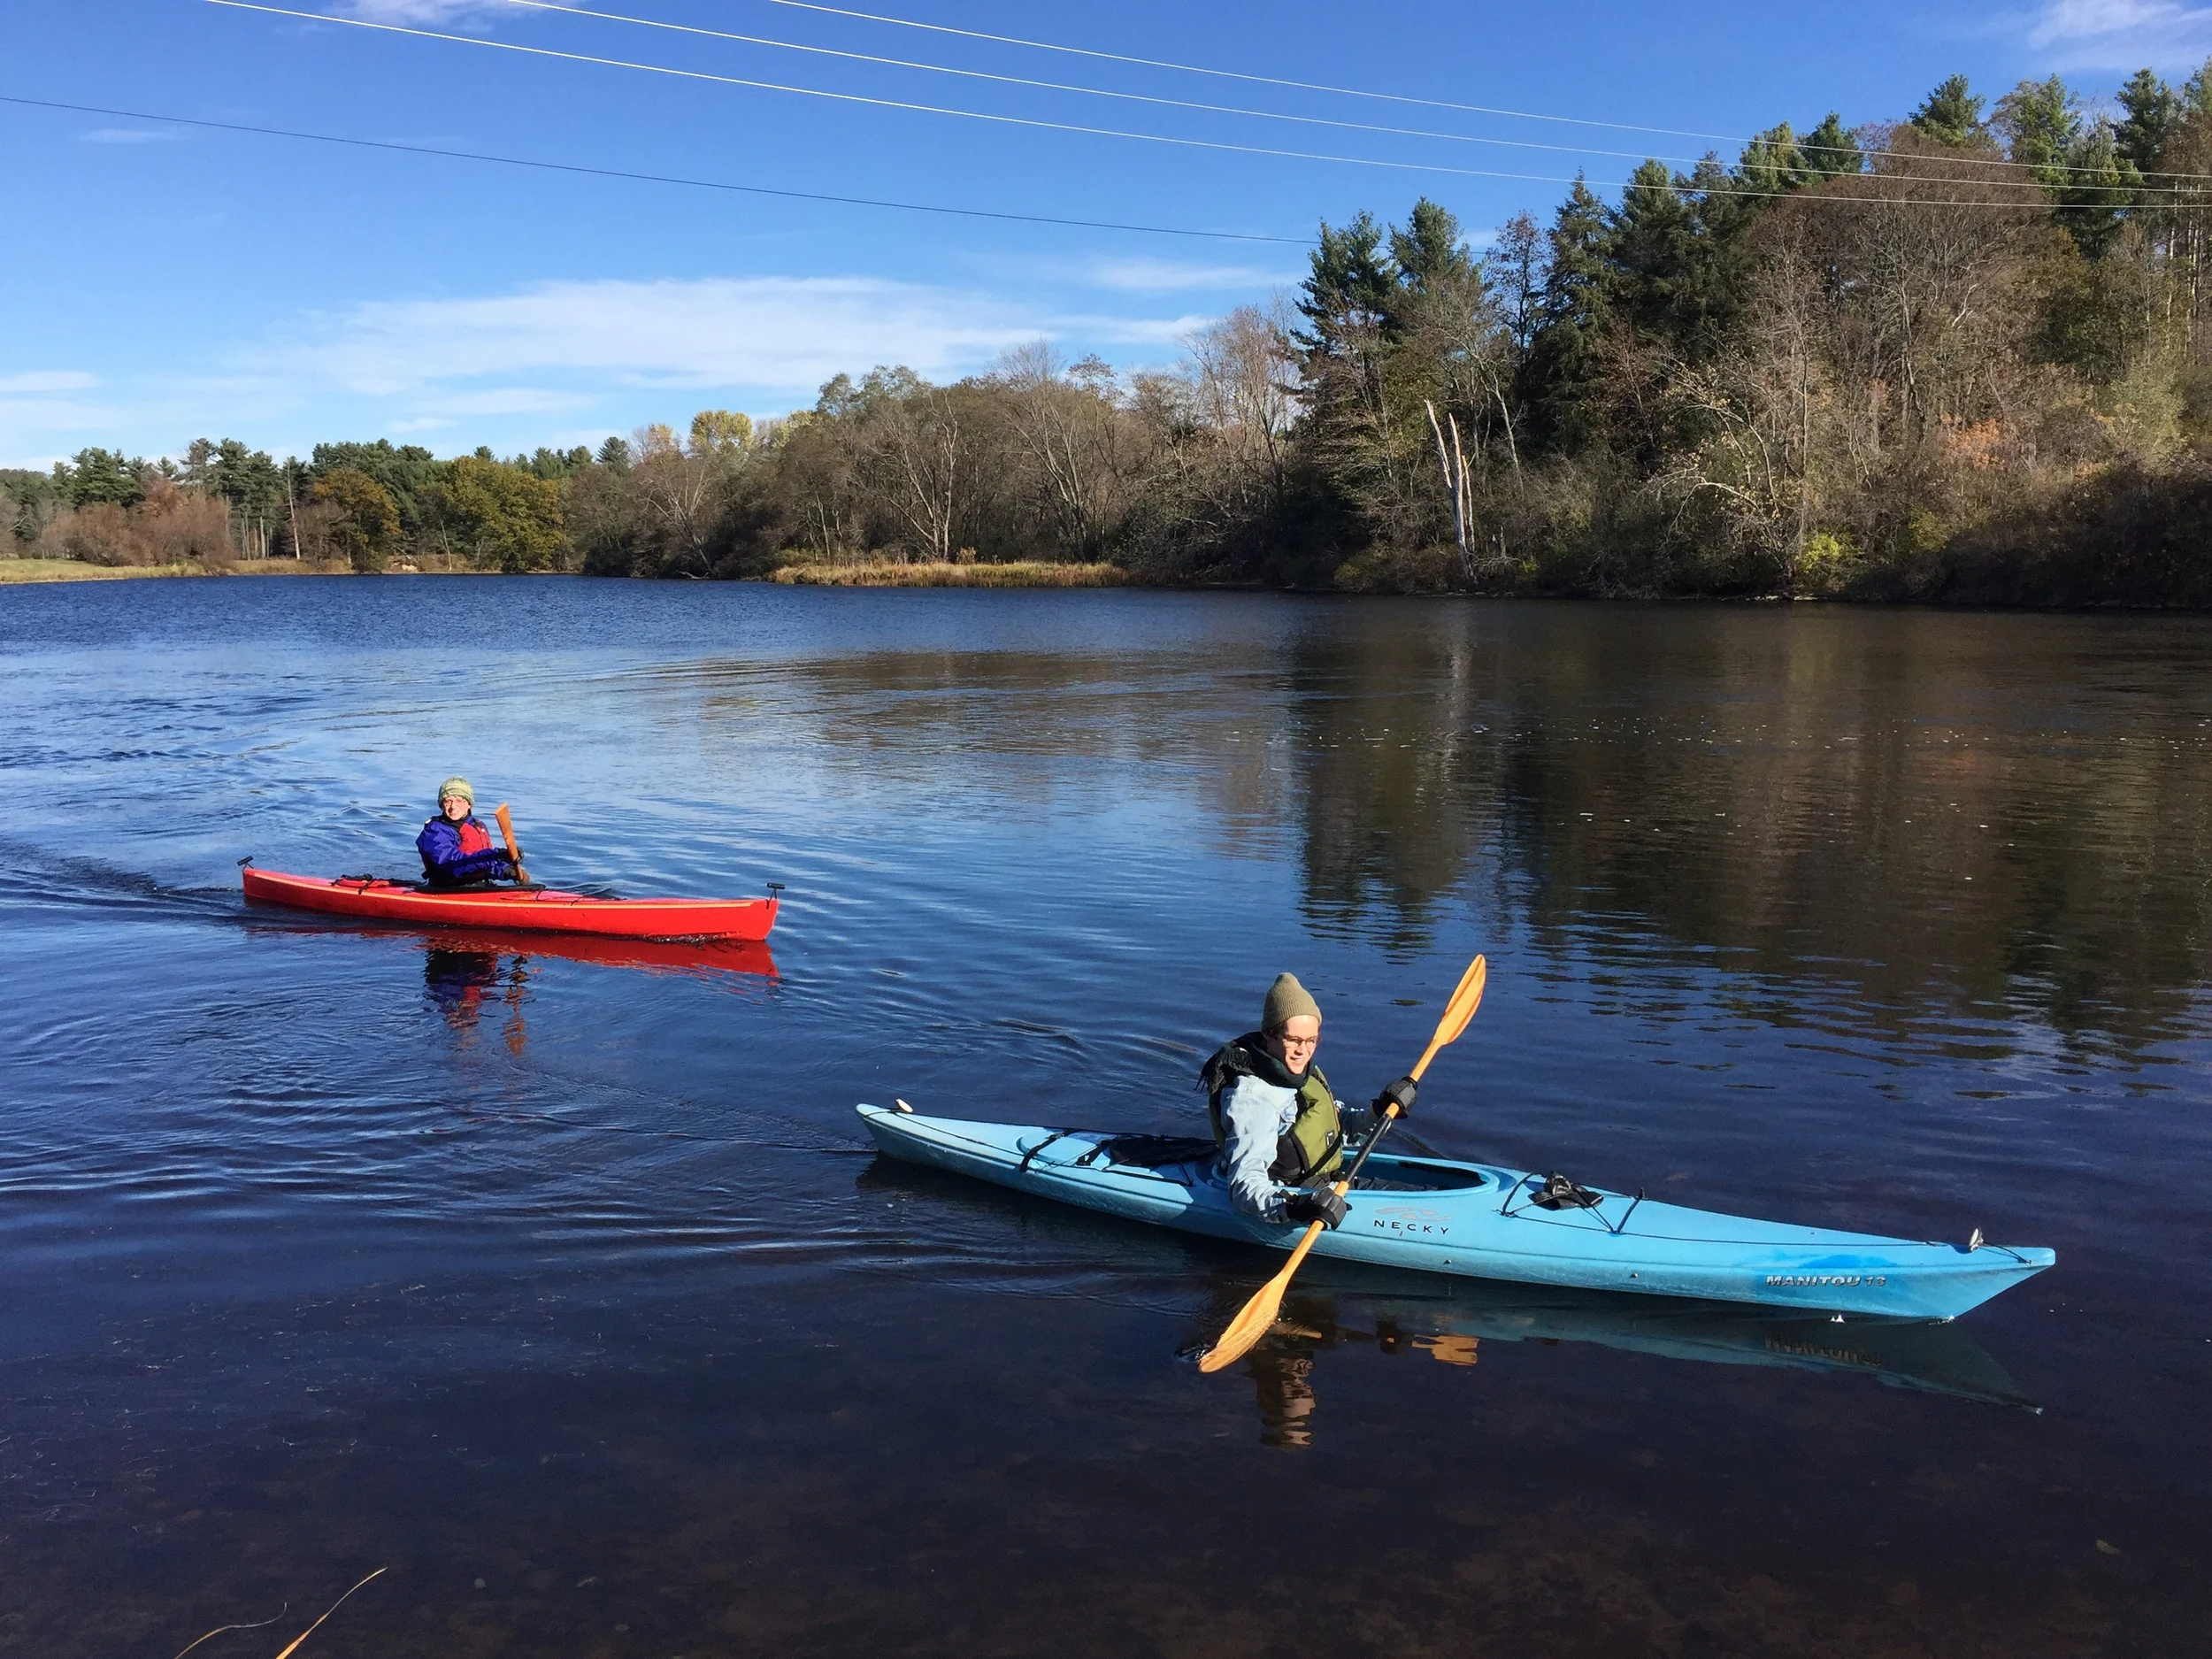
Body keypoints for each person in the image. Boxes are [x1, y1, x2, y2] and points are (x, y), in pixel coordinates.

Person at [1200, 972, 1417, 1229]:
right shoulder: (1252, 1099)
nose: (1304, 1051)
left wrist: (1380, 1110)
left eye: (1312, 1040)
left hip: (1332, 1186)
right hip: (1296, 1201)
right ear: (1269, 1035)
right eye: (1294, 1040)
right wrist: (1294, 1208)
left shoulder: (1301, 1073)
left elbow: (1339, 1129)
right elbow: (1244, 1185)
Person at [416, 776, 518, 888]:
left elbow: (484, 865)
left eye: (459, 800)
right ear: (441, 805)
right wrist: (495, 855)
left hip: (479, 887)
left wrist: (506, 870)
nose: (453, 806)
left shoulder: (477, 825)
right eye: (448, 801)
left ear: (469, 804)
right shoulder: (435, 832)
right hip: (447, 889)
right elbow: (452, 864)